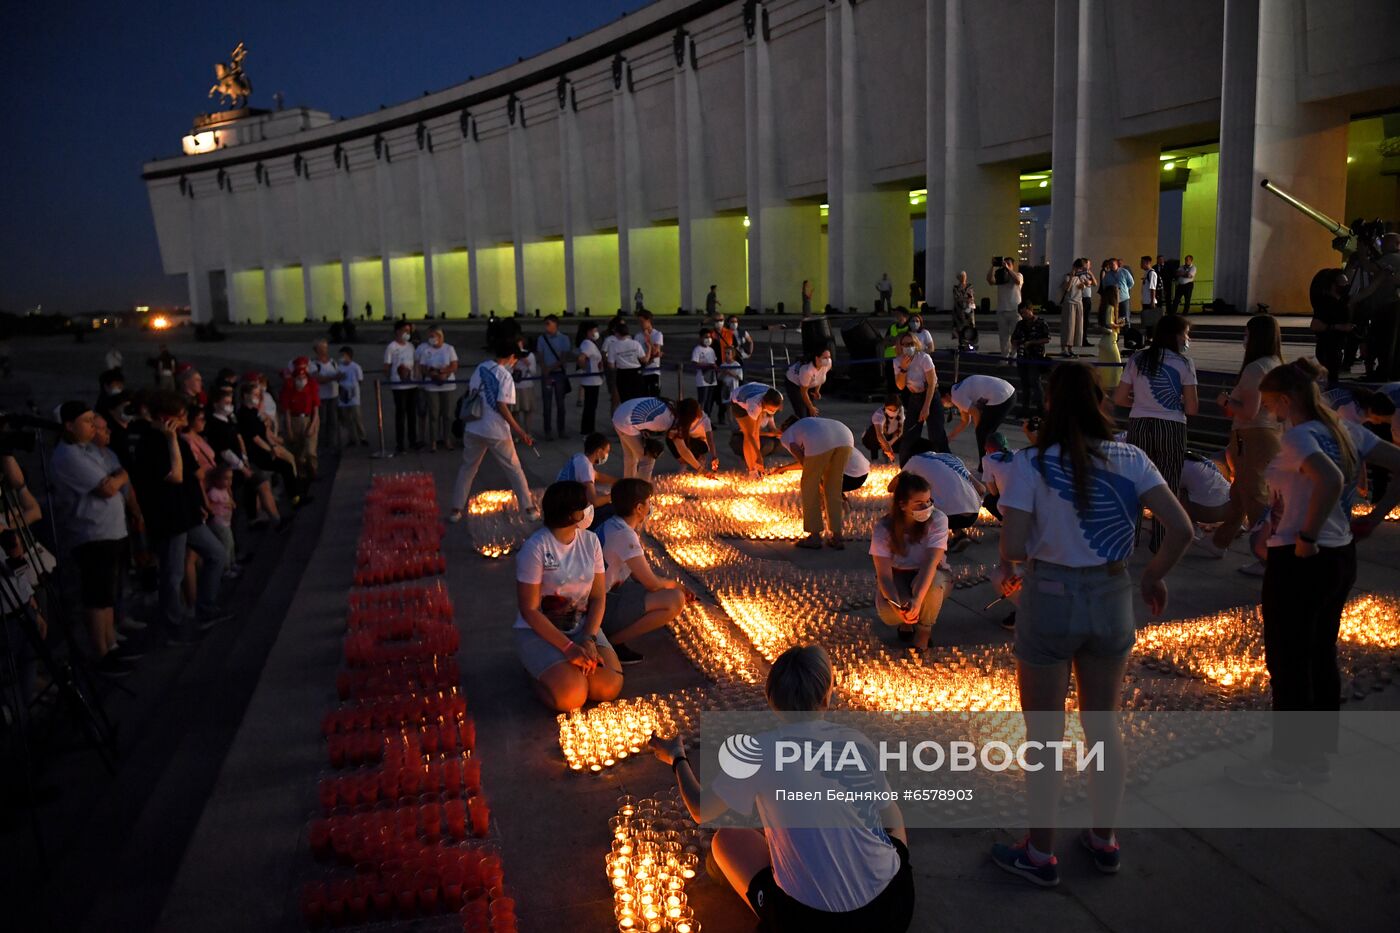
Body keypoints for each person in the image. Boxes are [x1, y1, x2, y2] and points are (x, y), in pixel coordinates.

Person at [990, 362, 1191, 886]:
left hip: (1051, 598)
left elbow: (1012, 546)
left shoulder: (1031, 464)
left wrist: (1012, 563)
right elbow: (1182, 528)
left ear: (1051, 404)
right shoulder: (1131, 457)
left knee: (1045, 737)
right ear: (1102, 401)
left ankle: (1039, 854)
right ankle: (1104, 840)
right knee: (1104, 727)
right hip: (1111, 594)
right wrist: (1152, 576)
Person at [647, 644, 915, 931]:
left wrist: (677, 757)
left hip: (811, 924)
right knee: (888, 812)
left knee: (725, 841)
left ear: (771, 699)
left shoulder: (758, 751)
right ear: (826, 698)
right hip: (893, 908)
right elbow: (890, 816)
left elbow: (702, 810)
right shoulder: (855, 741)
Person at [1225, 358, 1400, 789]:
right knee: (1319, 655)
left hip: (1301, 561)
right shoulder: (1345, 429)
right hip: (1340, 558)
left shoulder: (1301, 437)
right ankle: (1317, 758)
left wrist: (1307, 533)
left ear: (1286, 399)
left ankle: (1288, 763)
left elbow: (1326, 477)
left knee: (1288, 660)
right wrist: (1376, 515)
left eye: (1270, 404)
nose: (1270, 412)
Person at [513, 481, 623, 712]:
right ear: (574, 514)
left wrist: (589, 639)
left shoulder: (590, 541)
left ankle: (562, 670)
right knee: (572, 697)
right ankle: (535, 673)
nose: (589, 509)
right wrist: (568, 648)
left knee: (608, 688)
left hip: (581, 626)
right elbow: (530, 610)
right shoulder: (536, 548)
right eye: (585, 506)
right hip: (541, 631)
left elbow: (597, 597)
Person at [132, 392, 230, 643]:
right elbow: (174, 475)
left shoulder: (181, 441)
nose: (185, 419)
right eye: (181, 416)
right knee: (172, 574)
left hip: (186, 514)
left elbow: (191, 475)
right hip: (167, 518)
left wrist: (199, 502)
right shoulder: (150, 444)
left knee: (216, 554)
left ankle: (205, 608)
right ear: (167, 419)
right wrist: (171, 440)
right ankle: (172, 626)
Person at [51, 402, 133, 670]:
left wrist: (118, 477)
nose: (91, 426)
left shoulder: (88, 451)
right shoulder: (68, 456)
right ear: (69, 426)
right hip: (92, 533)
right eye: (86, 421)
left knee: (106, 593)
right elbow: (106, 488)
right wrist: (118, 478)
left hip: (110, 531)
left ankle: (111, 644)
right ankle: (101, 651)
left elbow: (117, 477)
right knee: (96, 596)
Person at [1199, 315, 1284, 565]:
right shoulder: (1275, 363)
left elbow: (1249, 410)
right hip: (1269, 435)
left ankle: (1269, 554)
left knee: (1255, 497)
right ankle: (1219, 542)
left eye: (1246, 334)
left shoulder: (1255, 368)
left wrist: (1225, 400)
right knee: (1240, 495)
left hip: (1252, 436)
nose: (1244, 339)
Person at [1112, 315, 1198, 551]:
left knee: (1135, 481)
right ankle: (1161, 542)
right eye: (1186, 333)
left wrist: (1141, 403)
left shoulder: (1137, 358)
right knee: (1167, 484)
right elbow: (1192, 407)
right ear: (1176, 335)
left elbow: (1119, 398)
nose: (1187, 338)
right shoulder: (1183, 363)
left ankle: (1130, 538)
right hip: (1171, 427)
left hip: (1139, 423)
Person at [597, 478, 691, 664]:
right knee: (674, 600)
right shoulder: (625, 535)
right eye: (649, 502)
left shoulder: (613, 524)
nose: (651, 506)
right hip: (600, 608)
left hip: (604, 596)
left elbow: (635, 575)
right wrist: (676, 585)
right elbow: (652, 584)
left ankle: (610, 639)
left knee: (657, 591)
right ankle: (610, 643)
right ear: (639, 508)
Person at [448, 341, 538, 523]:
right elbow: (502, 407)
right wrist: (521, 432)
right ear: (511, 357)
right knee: (514, 469)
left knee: (468, 469)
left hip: (473, 426)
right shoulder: (504, 376)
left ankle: (456, 510)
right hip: (496, 431)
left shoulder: (481, 367)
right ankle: (529, 508)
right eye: (515, 358)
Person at [869, 471, 951, 650]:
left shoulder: (938, 519)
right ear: (903, 505)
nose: (927, 507)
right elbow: (883, 575)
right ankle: (905, 621)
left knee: (930, 585)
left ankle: (923, 631)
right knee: (891, 613)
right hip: (899, 575)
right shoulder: (884, 528)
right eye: (919, 503)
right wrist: (897, 605)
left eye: (929, 501)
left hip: (932, 573)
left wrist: (918, 599)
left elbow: (931, 562)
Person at [773, 416, 856, 550]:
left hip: (820, 440)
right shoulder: (809, 424)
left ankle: (815, 536)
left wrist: (816, 480)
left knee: (809, 487)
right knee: (834, 487)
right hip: (845, 437)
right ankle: (837, 536)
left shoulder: (787, 435)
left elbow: (803, 460)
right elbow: (813, 459)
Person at [898, 444, 984, 552]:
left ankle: (921, 540)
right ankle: (959, 534)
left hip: (947, 517)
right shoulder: (952, 458)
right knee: (946, 497)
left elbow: (892, 487)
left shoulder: (915, 459)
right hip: (972, 515)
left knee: (914, 501)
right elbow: (982, 489)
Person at [944, 373, 1016, 472]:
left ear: (947, 395)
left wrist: (979, 431)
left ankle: (986, 466)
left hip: (1001, 397)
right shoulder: (957, 390)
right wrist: (950, 437)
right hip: (1007, 392)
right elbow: (965, 421)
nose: (944, 405)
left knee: (984, 433)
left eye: (942, 402)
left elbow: (976, 413)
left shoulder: (956, 397)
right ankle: (992, 462)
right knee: (987, 433)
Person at [892, 332, 945, 462]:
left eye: (910, 344)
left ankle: (944, 464)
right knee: (909, 434)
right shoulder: (898, 361)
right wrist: (903, 369)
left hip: (930, 395)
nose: (907, 347)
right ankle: (905, 466)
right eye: (904, 344)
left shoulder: (923, 358)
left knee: (936, 434)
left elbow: (932, 383)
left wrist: (926, 407)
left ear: (915, 344)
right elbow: (900, 386)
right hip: (914, 396)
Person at [1309, 268, 1354, 388]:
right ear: (1333, 285)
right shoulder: (1325, 303)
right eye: (1341, 283)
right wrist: (1338, 327)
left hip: (1338, 347)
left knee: (1333, 377)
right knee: (1329, 379)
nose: (1345, 286)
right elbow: (1315, 325)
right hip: (1327, 347)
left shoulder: (1342, 301)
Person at [419, 325, 460, 452]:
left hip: (447, 385)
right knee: (434, 415)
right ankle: (433, 441)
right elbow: (423, 368)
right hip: (431, 386)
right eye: (430, 336)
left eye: (434, 336)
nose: (432, 339)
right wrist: (431, 373)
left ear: (440, 336)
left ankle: (447, 439)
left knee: (447, 414)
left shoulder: (449, 349)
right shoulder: (426, 350)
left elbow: (454, 366)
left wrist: (443, 371)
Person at [279, 357, 321, 479]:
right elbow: (286, 411)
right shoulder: (289, 388)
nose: (301, 381)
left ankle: (313, 472)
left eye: (303, 378)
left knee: (310, 450)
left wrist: (313, 425)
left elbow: (316, 408)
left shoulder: (312, 386)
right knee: (298, 451)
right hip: (294, 420)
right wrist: (290, 430)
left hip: (309, 419)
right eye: (298, 378)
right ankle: (301, 474)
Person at [731, 383, 785, 476]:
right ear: (764, 403)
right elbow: (750, 436)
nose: (772, 412)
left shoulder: (778, 396)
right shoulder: (755, 405)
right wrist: (759, 456)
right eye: (771, 409)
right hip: (739, 401)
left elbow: (756, 434)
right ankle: (752, 471)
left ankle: (758, 468)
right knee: (748, 435)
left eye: (774, 410)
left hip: (753, 392)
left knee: (756, 434)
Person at [383, 321, 420, 452]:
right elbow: (386, 366)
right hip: (398, 386)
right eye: (405, 330)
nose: (407, 333)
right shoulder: (391, 347)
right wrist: (390, 380)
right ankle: (400, 443)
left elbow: (415, 362)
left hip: (412, 384)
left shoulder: (411, 346)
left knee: (411, 414)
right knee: (400, 414)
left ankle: (413, 441)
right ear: (398, 331)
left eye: (409, 331)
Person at [536, 315, 573, 441]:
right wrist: (544, 368)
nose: (546, 326)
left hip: (558, 373)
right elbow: (540, 355)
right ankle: (548, 431)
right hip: (546, 374)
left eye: (548, 323)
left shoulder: (564, 338)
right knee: (547, 404)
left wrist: (549, 368)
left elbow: (564, 358)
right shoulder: (542, 338)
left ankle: (561, 430)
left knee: (560, 404)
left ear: (555, 324)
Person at [1010, 300, 1050, 415]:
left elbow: (1046, 338)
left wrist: (1032, 342)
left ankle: (1041, 409)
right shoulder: (1020, 324)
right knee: (1024, 384)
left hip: (1036, 357)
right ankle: (1025, 408)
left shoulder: (1041, 323)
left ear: (1031, 310)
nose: (1023, 315)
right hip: (1022, 357)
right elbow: (1013, 339)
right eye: (1021, 313)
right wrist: (1017, 343)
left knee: (1035, 382)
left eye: (1025, 312)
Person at [558, 433, 615, 507]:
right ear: (599, 451)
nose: (606, 455)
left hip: (560, 496)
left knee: (603, 489)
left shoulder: (579, 457)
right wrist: (615, 495)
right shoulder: (586, 467)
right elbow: (595, 501)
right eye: (607, 452)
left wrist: (620, 482)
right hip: (568, 506)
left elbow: (597, 475)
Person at [1178, 451, 1233, 526]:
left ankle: (1186, 526)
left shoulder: (1175, 465)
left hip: (1211, 511)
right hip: (1229, 505)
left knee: (1168, 490)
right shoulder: (1192, 458)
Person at [988, 256, 1024, 360]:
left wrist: (1008, 269)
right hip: (1002, 310)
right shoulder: (1000, 277)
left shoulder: (1018, 275)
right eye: (1004, 263)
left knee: (1015, 335)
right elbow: (990, 281)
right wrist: (993, 266)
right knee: (1003, 336)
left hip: (1015, 310)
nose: (1006, 265)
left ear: (1013, 265)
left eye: (1008, 263)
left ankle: (1014, 356)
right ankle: (1004, 356)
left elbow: (1017, 281)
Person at [205, 465, 239, 575]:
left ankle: (232, 563)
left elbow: (229, 501)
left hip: (226, 523)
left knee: (231, 544)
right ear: (217, 480)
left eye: (231, 478)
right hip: (219, 523)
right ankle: (226, 569)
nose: (229, 482)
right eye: (226, 479)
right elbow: (210, 505)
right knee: (226, 545)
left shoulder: (224, 490)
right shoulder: (214, 493)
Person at [1058, 258, 1095, 357]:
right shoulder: (1067, 276)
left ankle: (1070, 348)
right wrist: (1071, 276)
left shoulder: (1081, 277)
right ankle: (1063, 348)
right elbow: (1067, 288)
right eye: (1079, 268)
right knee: (1068, 326)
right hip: (1069, 303)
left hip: (1079, 302)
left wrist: (1087, 280)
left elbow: (1093, 283)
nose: (1079, 271)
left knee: (1076, 327)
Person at [308, 339, 340, 452]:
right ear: (316, 350)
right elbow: (317, 379)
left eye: (325, 347)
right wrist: (333, 378)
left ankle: (332, 444)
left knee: (333, 421)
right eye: (321, 348)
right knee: (322, 422)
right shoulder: (313, 364)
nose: (324, 350)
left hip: (333, 395)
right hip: (321, 397)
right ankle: (321, 444)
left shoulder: (333, 362)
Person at [784, 346, 833, 419]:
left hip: (808, 384)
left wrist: (817, 390)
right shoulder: (807, 371)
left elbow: (820, 377)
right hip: (793, 383)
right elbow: (803, 392)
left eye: (829, 357)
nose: (828, 360)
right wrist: (810, 407)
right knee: (802, 411)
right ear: (817, 358)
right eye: (825, 357)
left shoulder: (828, 364)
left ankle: (810, 427)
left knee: (812, 413)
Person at [574, 320, 605, 436]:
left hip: (595, 380)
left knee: (591, 406)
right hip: (591, 380)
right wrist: (584, 369)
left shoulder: (591, 343)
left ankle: (589, 429)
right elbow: (581, 358)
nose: (596, 332)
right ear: (588, 332)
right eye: (594, 330)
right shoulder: (587, 344)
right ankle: (587, 430)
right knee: (590, 407)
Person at [606, 318, 646, 402]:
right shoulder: (635, 343)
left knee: (625, 399)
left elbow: (611, 365)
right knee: (638, 398)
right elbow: (643, 359)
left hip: (622, 374)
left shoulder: (613, 346)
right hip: (636, 373)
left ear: (617, 333)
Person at [336, 346, 368, 448]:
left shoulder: (356, 367)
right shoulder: (339, 367)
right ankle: (351, 438)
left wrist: (354, 390)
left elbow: (360, 380)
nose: (341, 357)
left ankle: (362, 437)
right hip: (342, 395)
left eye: (343, 355)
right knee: (346, 419)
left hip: (354, 397)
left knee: (357, 418)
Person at [862, 394, 905, 464]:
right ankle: (874, 459)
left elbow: (900, 431)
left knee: (906, 440)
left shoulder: (901, 410)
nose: (892, 412)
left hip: (891, 436)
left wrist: (890, 442)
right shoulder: (879, 415)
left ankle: (888, 458)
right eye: (890, 409)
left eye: (895, 410)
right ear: (885, 406)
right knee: (873, 434)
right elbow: (879, 435)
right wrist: (887, 447)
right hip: (874, 438)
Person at [510, 336, 539, 435]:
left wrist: (527, 364)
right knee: (515, 412)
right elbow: (507, 371)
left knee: (528, 411)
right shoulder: (511, 356)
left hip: (527, 386)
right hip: (515, 387)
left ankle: (528, 433)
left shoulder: (530, 355)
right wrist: (513, 364)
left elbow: (534, 372)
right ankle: (518, 434)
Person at [691, 327, 720, 419]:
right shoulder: (697, 349)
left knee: (709, 400)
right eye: (706, 337)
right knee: (702, 400)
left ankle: (707, 419)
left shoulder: (711, 350)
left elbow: (714, 362)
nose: (708, 339)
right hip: (702, 380)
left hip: (712, 378)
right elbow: (695, 363)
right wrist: (708, 366)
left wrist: (716, 368)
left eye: (709, 337)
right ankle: (699, 418)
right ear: (701, 338)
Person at [882, 307, 912, 392]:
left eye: (899, 314)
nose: (896, 316)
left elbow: (907, 341)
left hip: (902, 358)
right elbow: (885, 340)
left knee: (903, 379)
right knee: (890, 380)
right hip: (889, 357)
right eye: (896, 314)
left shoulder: (909, 328)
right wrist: (895, 340)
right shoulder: (892, 327)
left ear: (905, 316)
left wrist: (894, 340)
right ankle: (892, 399)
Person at [636, 309, 665, 397]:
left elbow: (655, 351)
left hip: (653, 370)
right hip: (642, 370)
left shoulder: (657, 334)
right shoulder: (638, 336)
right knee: (643, 397)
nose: (640, 324)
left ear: (648, 321)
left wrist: (648, 337)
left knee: (655, 397)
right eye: (639, 322)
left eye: (642, 322)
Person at [950, 272, 977, 351]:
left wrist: (966, 299)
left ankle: (970, 343)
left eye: (964, 276)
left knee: (970, 326)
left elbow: (971, 296)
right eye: (961, 276)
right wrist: (965, 299)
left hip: (968, 309)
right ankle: (961, 343)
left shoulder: (969, 286)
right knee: (960, 327)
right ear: (959, 278)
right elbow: (957, 297)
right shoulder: (956, 287)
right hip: (959, 310)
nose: (963, 278)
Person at [1138, 256, 1161, 331]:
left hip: (1149, 302)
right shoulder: (1146, 273)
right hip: (1145, 301)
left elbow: (1152, 288)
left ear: (1147, 263)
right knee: (1146, 322)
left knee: (1151, 322)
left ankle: (1151, 338)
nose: (1140, 264)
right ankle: (1148, 337)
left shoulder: (1152, 273)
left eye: (1142, 263)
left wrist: (1152, 301)